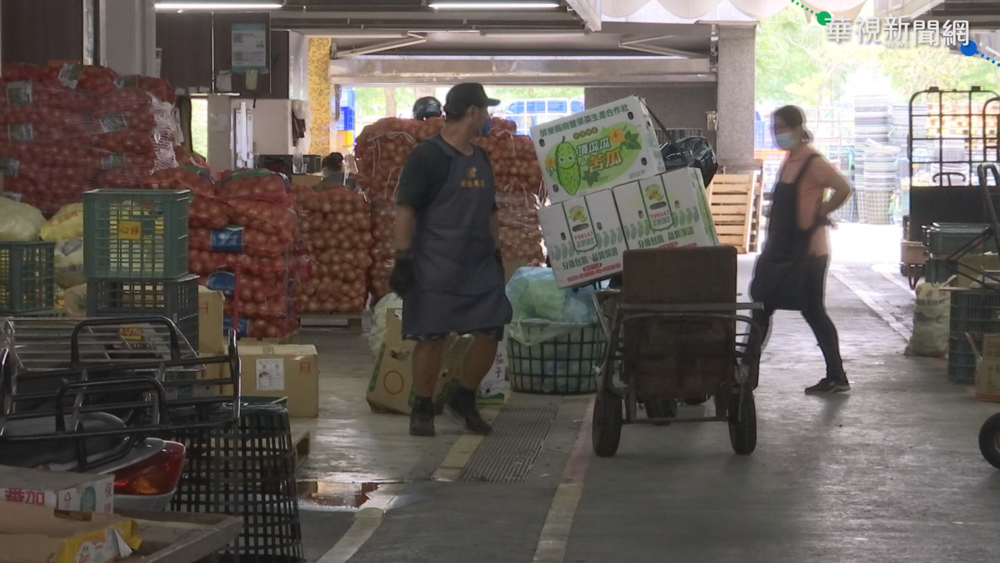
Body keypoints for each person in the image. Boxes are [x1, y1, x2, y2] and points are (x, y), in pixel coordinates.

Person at [389, 83, 512, 437]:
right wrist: (403, 259)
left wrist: (496, 251)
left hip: (478, 265)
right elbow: (406, 210)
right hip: (435, 265)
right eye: (485, 111)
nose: (488, 118)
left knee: (491, 330)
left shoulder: (480, 157)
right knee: (432, 337)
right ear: (472, 112)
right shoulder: (427, 156)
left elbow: (490, 210)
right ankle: (423, 407)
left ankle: (464, 397)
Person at [745, 105, 852, 395]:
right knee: (761, 306)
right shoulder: (789, 160)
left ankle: (837, 376)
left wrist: (822, 211)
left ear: (797, 128)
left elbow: (843, 188)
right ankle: (744, 374)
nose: (776, 133)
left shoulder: (813, 161)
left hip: (809, 252)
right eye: (774, 129)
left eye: (781, 127)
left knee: (813, 311)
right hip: (780, 249)